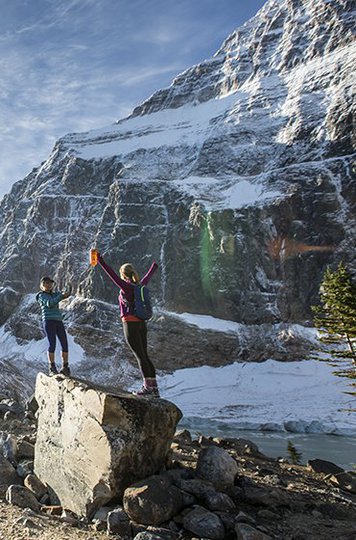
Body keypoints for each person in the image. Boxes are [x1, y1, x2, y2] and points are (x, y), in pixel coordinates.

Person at [96, 252, 159, 397]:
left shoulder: (126, 287)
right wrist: (154, 266)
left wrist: (100, 261)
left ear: (124, 275)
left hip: (130, 324)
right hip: (142, 324)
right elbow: (148, 276)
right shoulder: (139, 285)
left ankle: (147, 389)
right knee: (145, 355)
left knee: (139, 356)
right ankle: (154, 388)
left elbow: (112, 275)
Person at [36, 276, 71, 376]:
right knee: (52, 343)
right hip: (48, 320)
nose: (49, 285)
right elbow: (49, 304)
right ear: (42, 285)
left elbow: (65, 295)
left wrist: (67, 291)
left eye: (50, 283)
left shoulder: (54, 294)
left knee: (64, 343)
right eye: (46, 283)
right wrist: (61, 296)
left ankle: (65, 367)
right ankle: (52, 367)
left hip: (58, 320)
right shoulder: (41, 295)